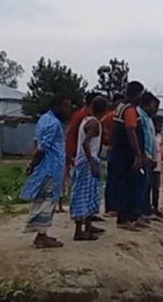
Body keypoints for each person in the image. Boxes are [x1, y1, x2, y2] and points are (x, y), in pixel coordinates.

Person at [20, 94, 74, 248]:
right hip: (50, 168)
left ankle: (41, 234)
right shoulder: (53, 123)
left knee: (42, 201)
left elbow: (36, 142)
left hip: (48, 168)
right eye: (66, 107)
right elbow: (43, 147)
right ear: (57, 106)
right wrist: (33, 164)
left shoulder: (44, 119)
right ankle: (41, 236)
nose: (68, 110)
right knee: (47, 202)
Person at [69, 96, 108, 241]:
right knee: (84, 196)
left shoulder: (86, 120)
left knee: (89, 195)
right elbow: (86, 143)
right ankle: (79, 231)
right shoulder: (95, 124)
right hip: (87, 162)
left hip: (83, 161)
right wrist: (92, 162)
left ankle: (88, 226)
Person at [111, 82, 147, 229]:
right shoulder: (130, 110)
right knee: (127, 184)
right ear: (137, 94)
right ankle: (124, 219)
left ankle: (131, 217)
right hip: (126, 152)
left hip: (122, 151)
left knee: (127, 183)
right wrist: (138, 154)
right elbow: (131, 131)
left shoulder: (121, 107)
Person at [136, 93, 159, 220]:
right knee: (140, 186)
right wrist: (142, 153)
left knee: (146, 186)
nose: (154, 108)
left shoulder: (148, 118)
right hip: (143, 156)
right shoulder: (139, 115)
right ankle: (138, 213)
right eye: (153, 105)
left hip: (149, 157)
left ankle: (144, 211)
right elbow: (140, 136)